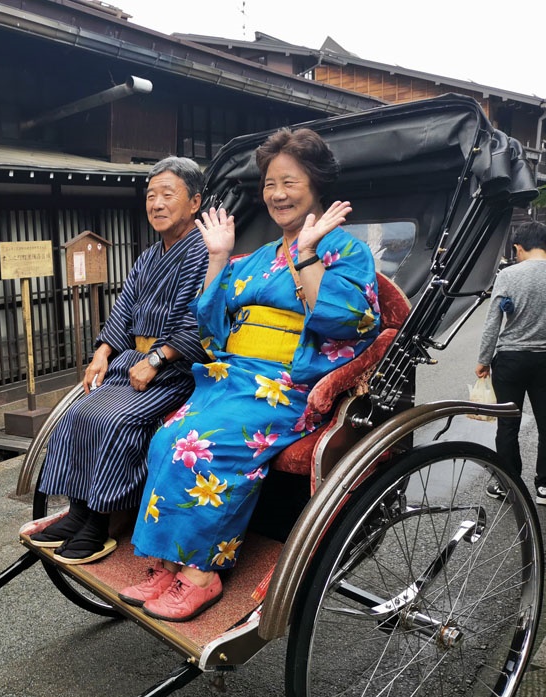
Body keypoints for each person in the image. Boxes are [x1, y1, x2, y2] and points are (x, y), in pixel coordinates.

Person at [121, 128, 381, 622]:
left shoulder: (345, 252)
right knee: (166, 437)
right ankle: (171, 560)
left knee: (200, 442)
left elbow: (343, 321)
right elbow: (213, 328)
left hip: (287, 382)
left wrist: (306, 254)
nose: (277, 194)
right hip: (235, 375)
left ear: (316, 185)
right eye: (269, 184)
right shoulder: (257, 257)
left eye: (290, 182)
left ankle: (202, 575)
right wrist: (218, 258)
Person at [30, 157, 211, 564]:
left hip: (177, 368)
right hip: (133, 362)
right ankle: (77, 510)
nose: (157, 204)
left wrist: (159, 358)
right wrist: (102, 351)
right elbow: (123, 307)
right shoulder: (147, 257)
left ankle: (101, 522)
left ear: (195, 201)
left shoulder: (203, 253)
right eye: (151, 196)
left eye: (169, 194)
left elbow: (200, 318)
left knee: (115, 421)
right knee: (77, 414)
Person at [476, 222, 546, 506]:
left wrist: (483, 360)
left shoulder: (509, 274)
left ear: (518, 247)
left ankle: (509, 485)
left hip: (510, 360)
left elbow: (492, 322)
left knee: (507, 424)